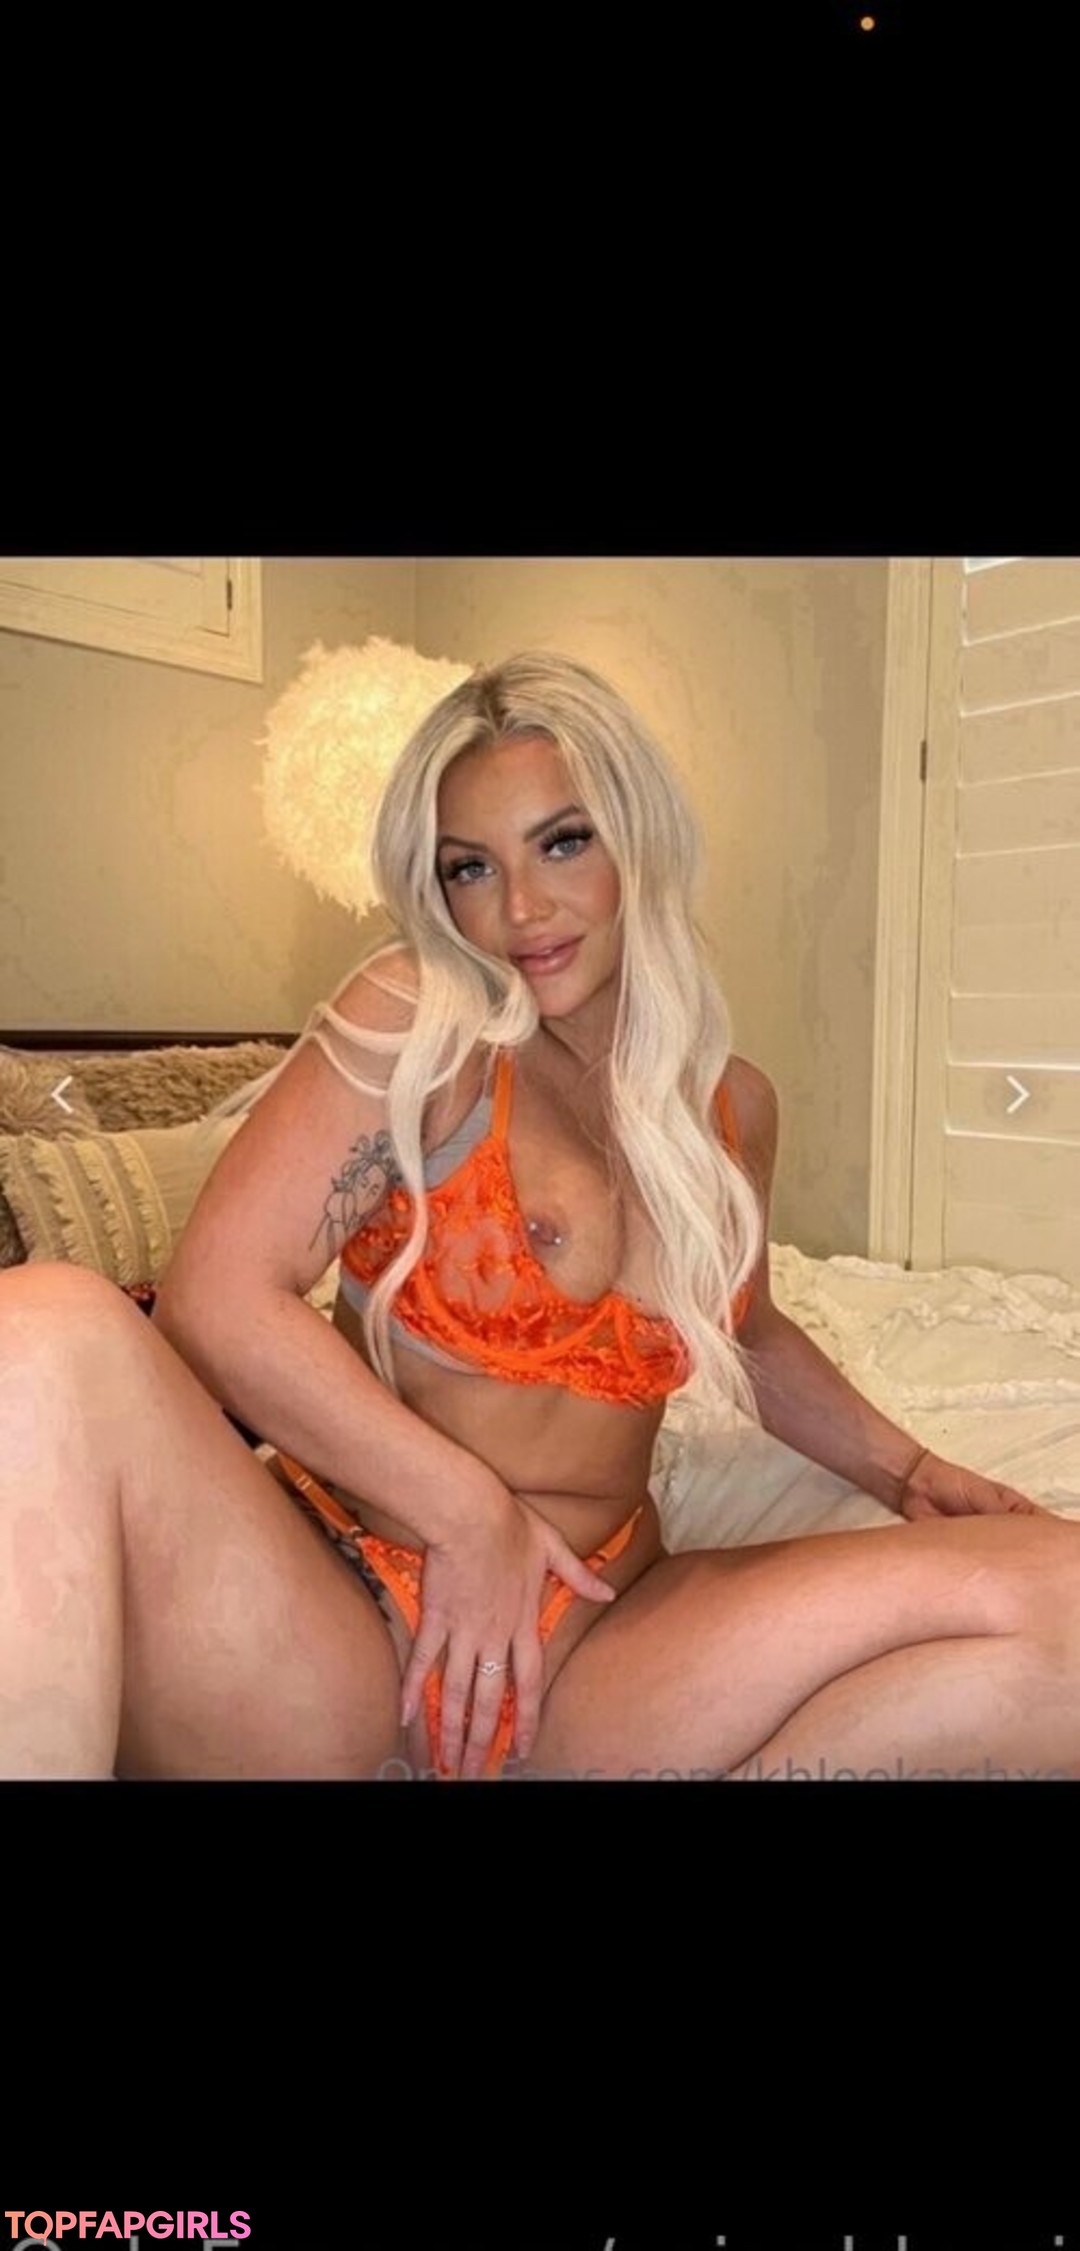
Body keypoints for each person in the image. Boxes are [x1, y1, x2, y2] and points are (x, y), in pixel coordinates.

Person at [3, 649, 1076, 1783]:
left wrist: (907, 1471)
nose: (519, 908)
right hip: (341, 1611)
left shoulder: (731, 1109)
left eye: (564, 842)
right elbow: (216, 1296)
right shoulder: (423, 1025)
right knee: (45, 1323)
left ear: (639, 840)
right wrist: (470, 1515)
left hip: (596, 1637)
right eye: (471, 867)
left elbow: (748, 1327)